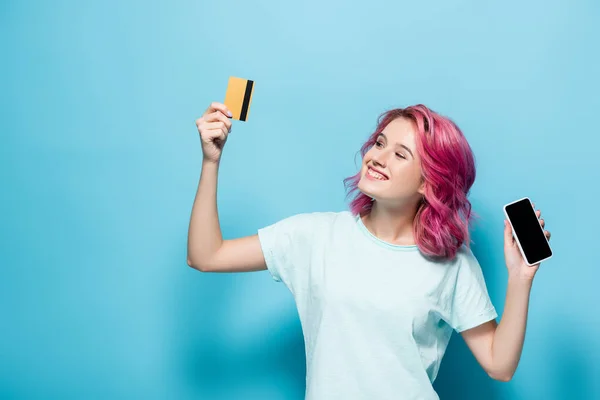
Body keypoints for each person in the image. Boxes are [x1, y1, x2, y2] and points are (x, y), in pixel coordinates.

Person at [187, 102, 551, 400]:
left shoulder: (452, 264)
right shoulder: (314, 236)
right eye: (379, 143)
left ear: (428, 183)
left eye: (400, 154)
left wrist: (520, 278)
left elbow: (498, 365)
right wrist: (211, 162)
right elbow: (206, 256)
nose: (378, 157)